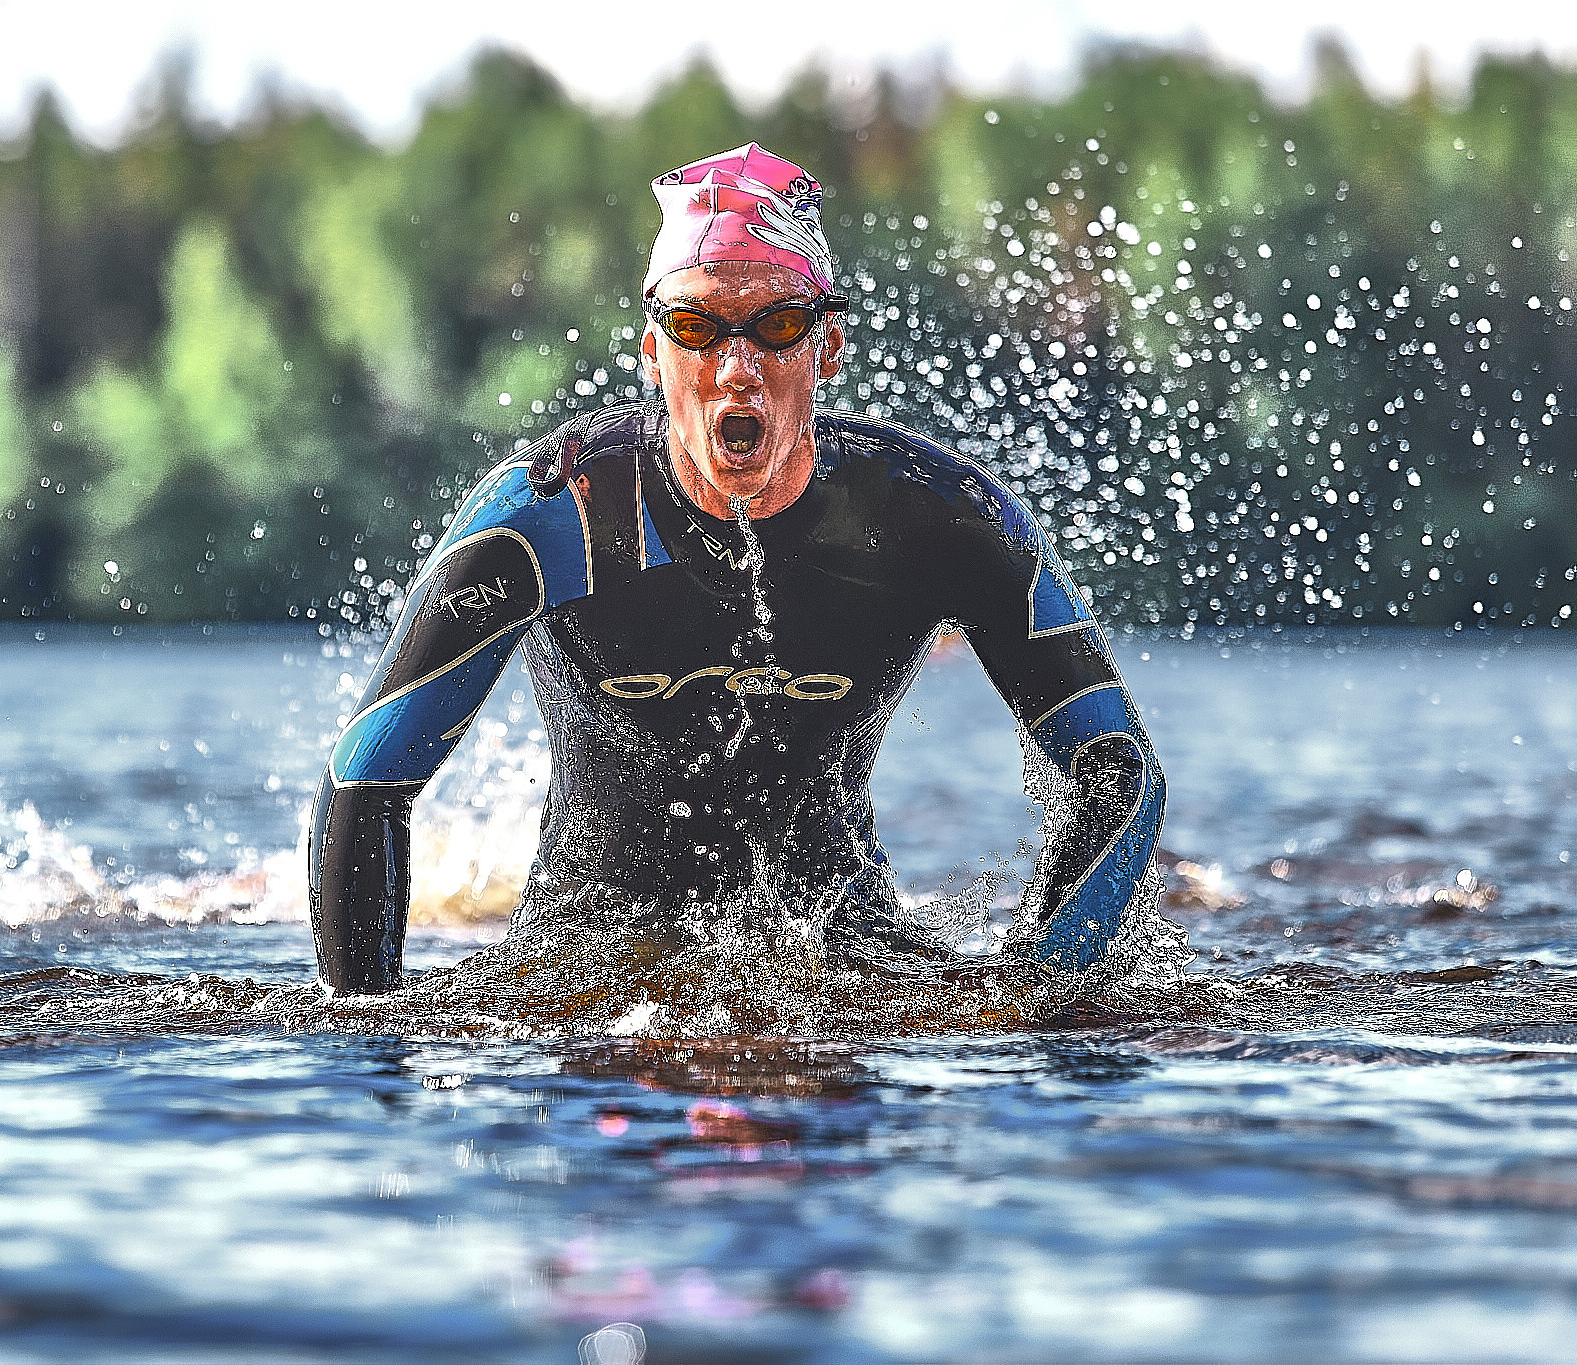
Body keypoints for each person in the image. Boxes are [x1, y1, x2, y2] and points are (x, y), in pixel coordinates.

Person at [309, 143, 1166, 995]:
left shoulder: (934, 515)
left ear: (829, 348)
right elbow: (366, 776)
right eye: (696, 328)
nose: (737, 368)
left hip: (845, 964)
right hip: (586, 974)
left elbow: (1118, 767)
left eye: (778, 326)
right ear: (652, 354)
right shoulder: (553, 511)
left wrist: (1035, 1000)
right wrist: (365, 1048)